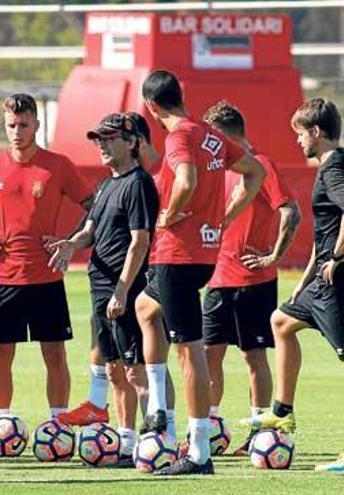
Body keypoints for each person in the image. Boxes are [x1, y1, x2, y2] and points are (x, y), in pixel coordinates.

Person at [135, 70, 266, 476]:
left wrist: (169, 215)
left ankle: (199, 454)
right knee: (144, 307)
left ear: (152, 108)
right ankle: (160, 406)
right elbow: (254, 173)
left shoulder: (178, 136)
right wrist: (224, 218)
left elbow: (186, 180)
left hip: (178, 254)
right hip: (204, 254)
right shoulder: (212, 134)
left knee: (189, 353)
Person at [0, 93, 93, 457]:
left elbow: (96, 208)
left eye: (24, 124)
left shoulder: (57, 166)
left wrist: (71, 242)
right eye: (11, 125)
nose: (17, 131)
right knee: (0, 353)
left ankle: (59, 426)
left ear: (37, 124)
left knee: (55, 353)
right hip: (3, 277)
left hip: (46, 278)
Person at [52, 113, 160, 465]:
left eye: (109, 138)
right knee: (115, 368)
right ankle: (127, 443)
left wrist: (123, 290)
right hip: (101, 289)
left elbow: (139, 242)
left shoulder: (138, 183)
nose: (101, 144)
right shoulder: (105, 184)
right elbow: (90, 231)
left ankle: (156, 440)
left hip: (123, 290)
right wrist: (70, 244)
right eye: (98, 138)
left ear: (131, 142)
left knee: (136, 370)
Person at [245, 98, 344, 474]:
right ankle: (281, 414)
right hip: (319, 284)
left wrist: (336, 258)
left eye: (300, 133)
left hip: (335, 282)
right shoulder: (329, 167)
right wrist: (303, 284)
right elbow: (324, 233)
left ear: (316, 132)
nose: (297, 141)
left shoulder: (334, 167)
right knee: (282, 321)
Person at [200, 100, 301, 455]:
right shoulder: (217, 169)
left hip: (251, 279)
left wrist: (275, 255)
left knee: (252, 357)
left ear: (228, 134)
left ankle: (260, 432)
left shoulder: (261, 165)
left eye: (214, 137)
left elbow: (291, 210)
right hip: (215, 279)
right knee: (208, 353)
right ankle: (207, 427)